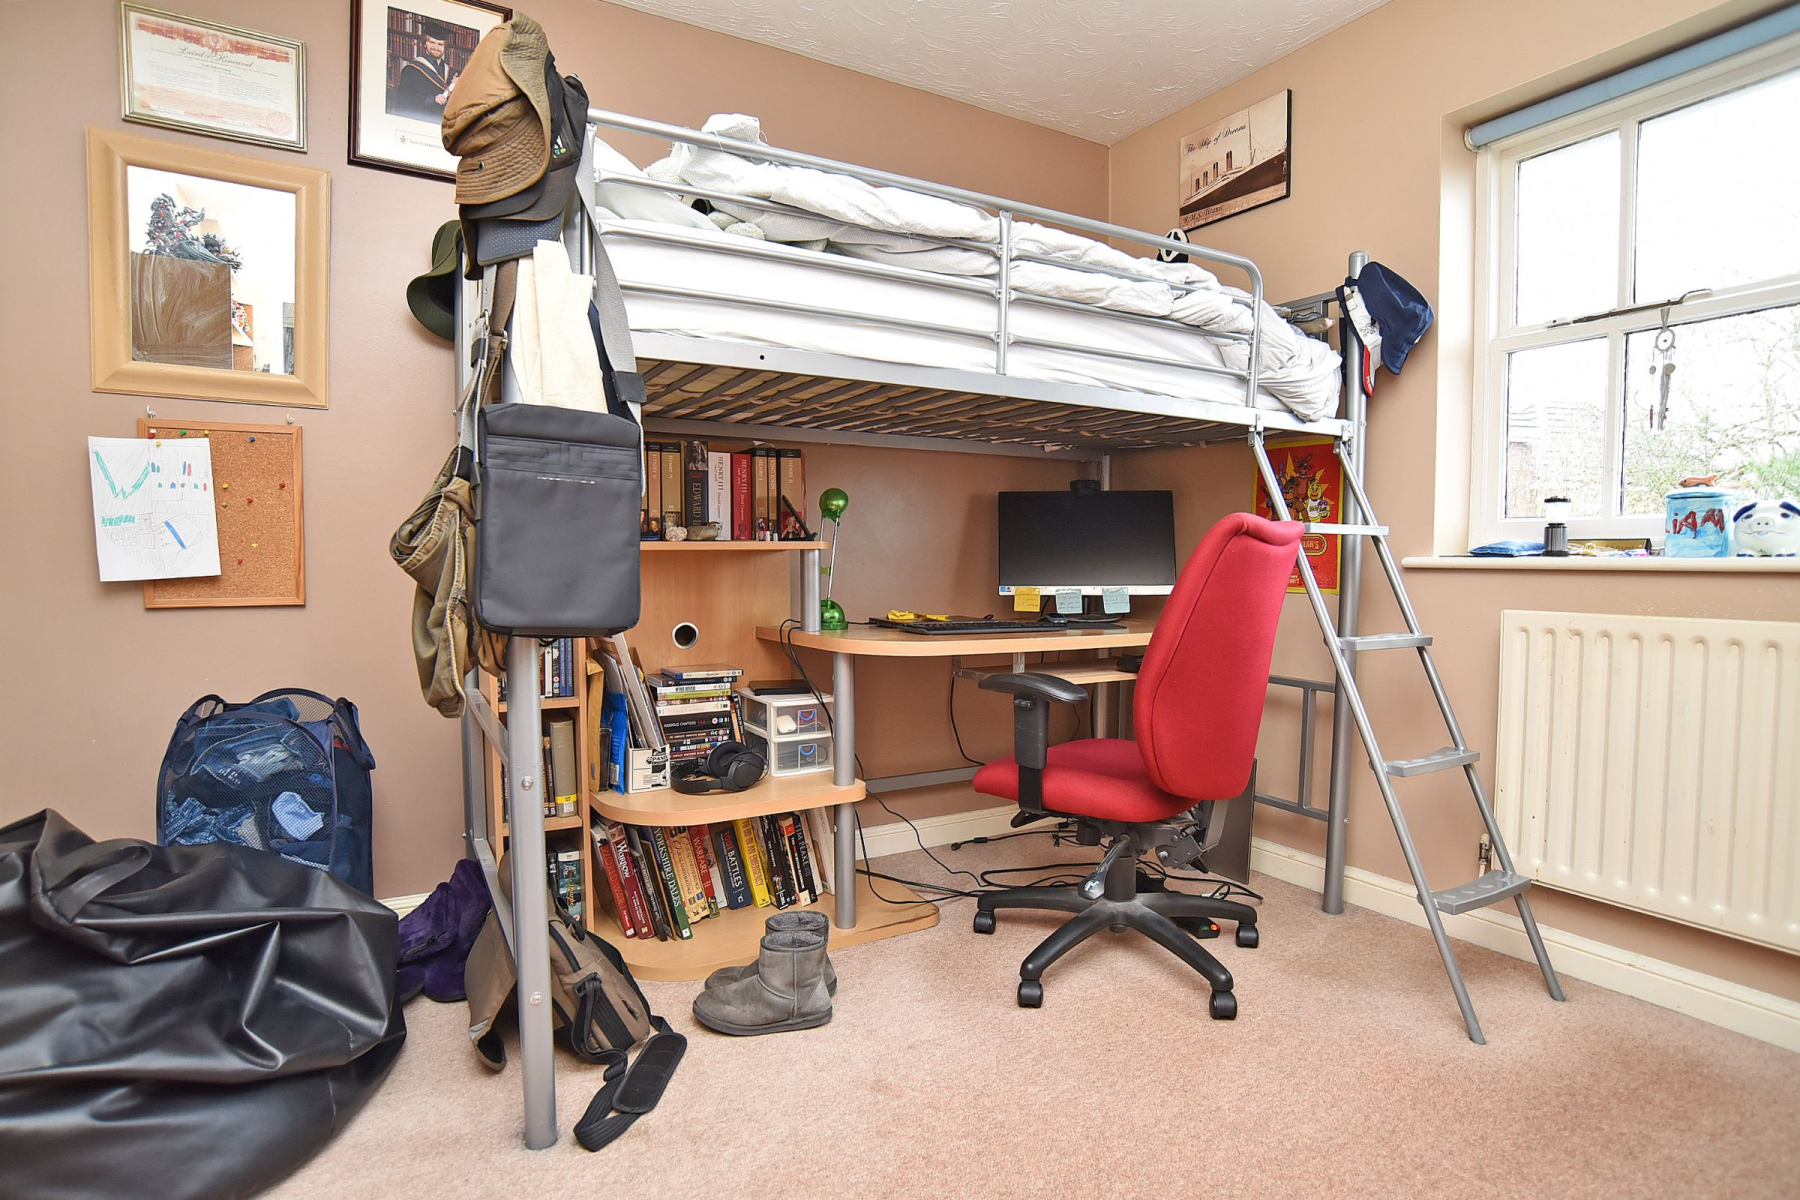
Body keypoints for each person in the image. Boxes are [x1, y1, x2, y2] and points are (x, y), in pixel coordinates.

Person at [389, 19, 458, 124]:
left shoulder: (452, 74)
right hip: (421, 124)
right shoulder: (412, 70)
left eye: (440, 44)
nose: (436, 47)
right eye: (432, 42)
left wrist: (460, 87)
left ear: (445, 47)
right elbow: (405, 99)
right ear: (425, 43)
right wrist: (432, 99)